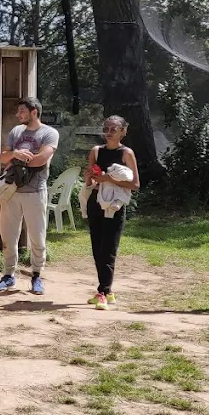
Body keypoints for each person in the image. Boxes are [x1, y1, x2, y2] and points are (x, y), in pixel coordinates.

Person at [0, 97, 60, 295]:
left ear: (34, 112)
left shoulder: (49, 133)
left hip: (35, 191)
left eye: (22, 111)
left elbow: (41, 159)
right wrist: (15, 154)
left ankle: (37, 275)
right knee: (8, 234)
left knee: (37, 235)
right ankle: (8, 275)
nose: (17, 115)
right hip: (12, 190)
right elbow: (3, 157)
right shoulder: (16, 131)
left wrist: (17, 159)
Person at [83, 116, 140, 310]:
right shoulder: (96, 151)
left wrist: (109, 179)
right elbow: (91, 183)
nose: (108, 132)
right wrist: (89, 177)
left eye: (113, 129)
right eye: (106, 128)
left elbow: (135, 185)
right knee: (97, 248)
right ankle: (107, 292)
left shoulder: (126, 153)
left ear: (123, 131)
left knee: (109, 248)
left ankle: (102, 291)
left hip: (115, 205)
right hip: (96, 201)